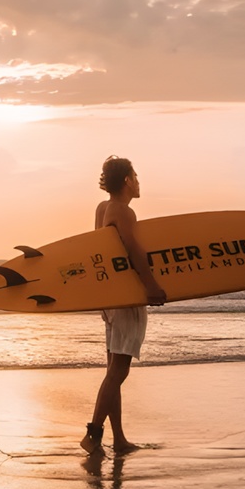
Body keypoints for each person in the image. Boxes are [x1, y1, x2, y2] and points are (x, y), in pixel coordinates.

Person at [83, 157, 167, 454]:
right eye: (136, 175)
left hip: (111, 299)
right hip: (128, 297)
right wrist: (152, 286)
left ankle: (118, 439)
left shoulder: (102, 208)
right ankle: (93, 434)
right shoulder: (124, 211)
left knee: (112, 371)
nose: (138, 180)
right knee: (118, 371)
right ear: (128, 181)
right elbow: (134, 252)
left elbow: (101, 252)